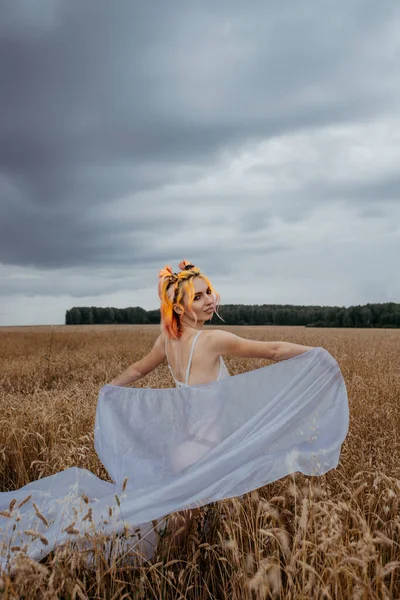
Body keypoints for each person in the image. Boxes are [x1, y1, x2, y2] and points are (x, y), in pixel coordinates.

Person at [109, 259, 315, 551]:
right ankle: (164, 576)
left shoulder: (167, 340)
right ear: (179, 308)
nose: (209, 300)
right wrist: (317, 353)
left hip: (184, 447)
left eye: (208, 292)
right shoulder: (211, 340)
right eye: (197, 296)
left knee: (187, 526)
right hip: (205, 452)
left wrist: (109, 389)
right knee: (179, 534)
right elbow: (273, 350)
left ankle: (171, 569)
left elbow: (138, 369)